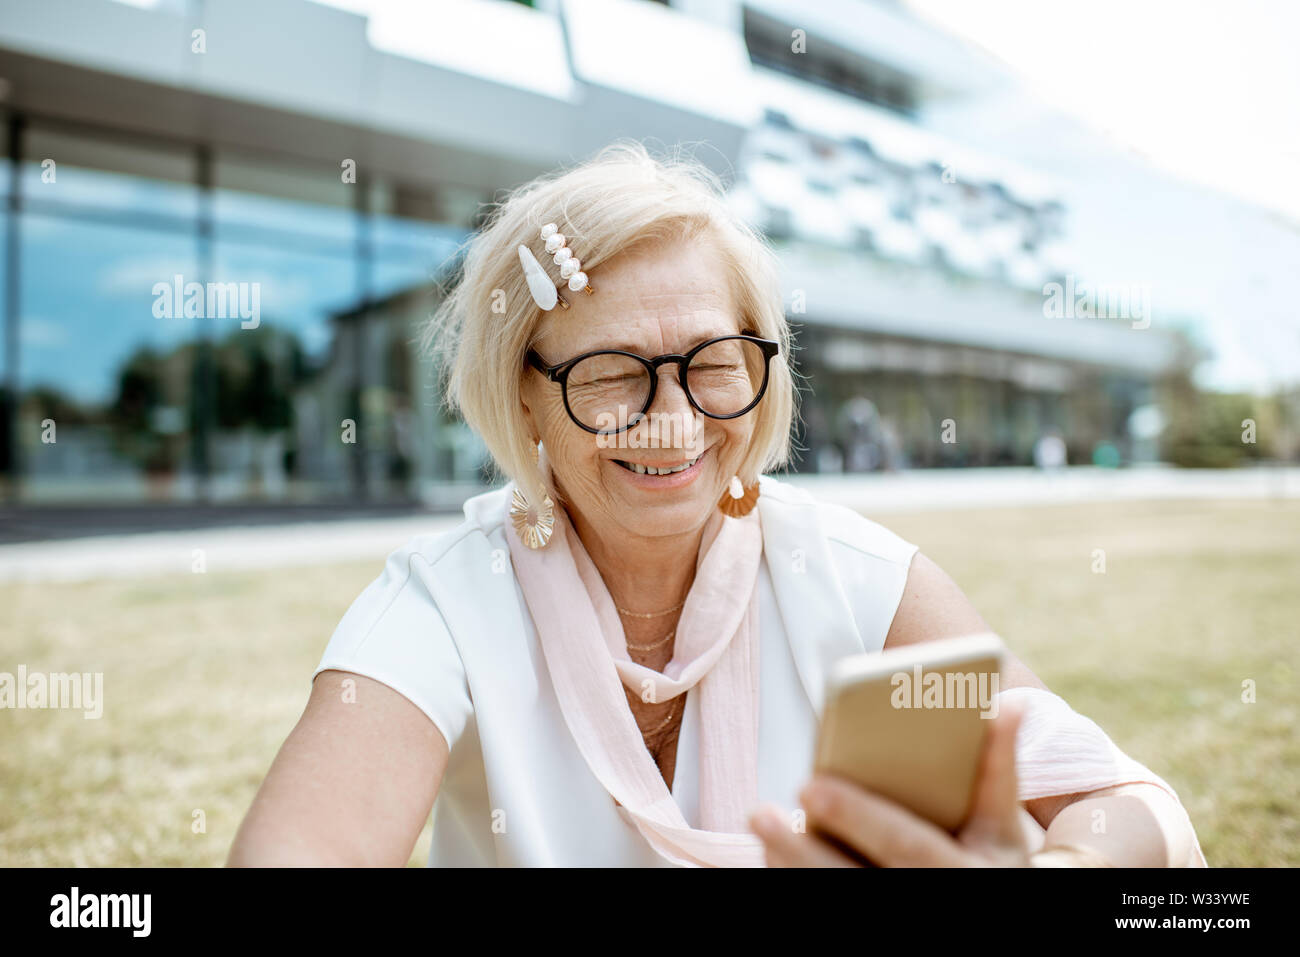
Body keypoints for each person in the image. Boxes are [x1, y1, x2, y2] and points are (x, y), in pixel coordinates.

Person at [227, 143, 1205, 868]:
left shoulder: (859, 580)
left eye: (709, 364)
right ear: (521, 390)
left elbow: (1136, 809)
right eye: (611, 373)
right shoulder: (445, 605)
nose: (671, 420)